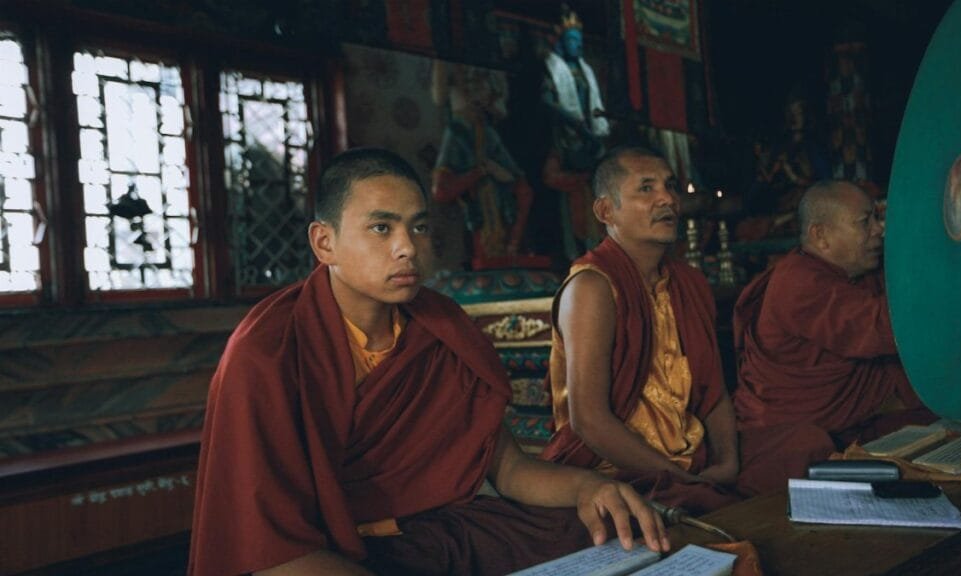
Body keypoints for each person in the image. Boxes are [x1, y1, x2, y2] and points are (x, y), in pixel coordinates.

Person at [188, 148, 668, 576]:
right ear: (324, 243)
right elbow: (270, 550)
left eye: (418, 226)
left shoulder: (440, 327)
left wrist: (588, 487)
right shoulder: (267, 351)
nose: (408, 247)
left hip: (434, 536)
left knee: (600, 534)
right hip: (321, 552)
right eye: (381, 228)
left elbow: (509, 470)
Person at [541, 146, 740, 515]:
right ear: (605, 211)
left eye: (670, 186)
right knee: (704, 505)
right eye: (646, 189)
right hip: (618, 468)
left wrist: (728, 464)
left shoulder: (689, 283)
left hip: (692, 453)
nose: (667, 198)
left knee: (802, 445)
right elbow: (589, 421)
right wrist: (683, 478)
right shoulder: (593, 287)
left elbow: (714, 392)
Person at [732, 180, 936, 495]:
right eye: (864, 222)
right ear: (821, 236)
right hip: (788, 428)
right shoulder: (798, 283)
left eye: (877, 219)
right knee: (809, 449)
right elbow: (881, 329)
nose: (878, 230)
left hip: (851, 420)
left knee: (937, 427)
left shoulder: (855, 274)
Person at [432, 62, 534, 267]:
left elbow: (518, 182)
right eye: (469, 86)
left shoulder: (489, 133)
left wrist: (500, 173)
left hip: (501, 207)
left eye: (480, 86)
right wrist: (479, 172)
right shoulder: (456, 134)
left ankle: (511, 247)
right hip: (475, 211)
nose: (475, 94)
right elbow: (441, 191)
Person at [541, 8, 607, 259]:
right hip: (566, 138)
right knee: (570, 198)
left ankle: (598, 248)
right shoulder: (552, 68)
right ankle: (574, 251)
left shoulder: (586, 71)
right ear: (560, 43)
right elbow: (546, 100)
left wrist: (591, 130)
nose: (576, 47)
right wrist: (575, 124)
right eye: (571, 41)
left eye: (579, 42)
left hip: (588, 138)